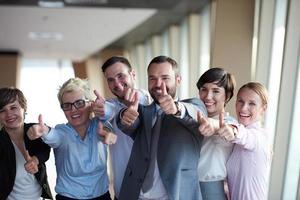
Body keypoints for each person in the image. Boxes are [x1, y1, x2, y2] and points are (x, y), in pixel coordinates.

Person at [117, 55, 207, 200]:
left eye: (165, 78)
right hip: (137, 194)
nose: (158, 84)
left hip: (176, 195)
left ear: (178, 80)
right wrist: (125, 115)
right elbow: (127, 124)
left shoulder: (192, 107)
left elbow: (197, 115)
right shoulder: (142, 112)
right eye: (152, 78)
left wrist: (176, 109)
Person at [27, 78, 113, 200]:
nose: (73, 110)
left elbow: (108, 132)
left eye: (79, 103)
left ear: (91, 104)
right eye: (67, 105)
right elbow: (54, 137)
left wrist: (108, 135)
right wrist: (44, 131)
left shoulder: (99, 123)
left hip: (101, 195)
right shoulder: (62, 131)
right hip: (68, 197)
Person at [95, 56, 152, 200]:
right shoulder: (108, 106)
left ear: (133, 74)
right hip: (123, 193)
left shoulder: (149, 100)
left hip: (152, 193)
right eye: (111, 80)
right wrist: (107, 134)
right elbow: (109, 125)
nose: (117, 84)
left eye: (121, 76)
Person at [217, 82, 271, 200]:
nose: (243, 108)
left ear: (264, 108)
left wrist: (233, 131)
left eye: (252, 103)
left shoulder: (259, 137)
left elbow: (244, 135)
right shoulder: (237, 144)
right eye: (240, 101)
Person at [0, 87, 52, 200]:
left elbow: (45, 149)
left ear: (24, 108)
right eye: (2, 110)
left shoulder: (34, 130)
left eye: (13, 107)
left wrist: (36, 160)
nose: (8, 114)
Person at [196, 68, 236, 200]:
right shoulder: (193, 118)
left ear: (227, 95)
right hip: (188, 185)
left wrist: (214, 127)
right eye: (204, 89)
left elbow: (227, 129)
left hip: (212, 189)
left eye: (216, 91)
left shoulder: (230, 123)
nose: (208, 96)